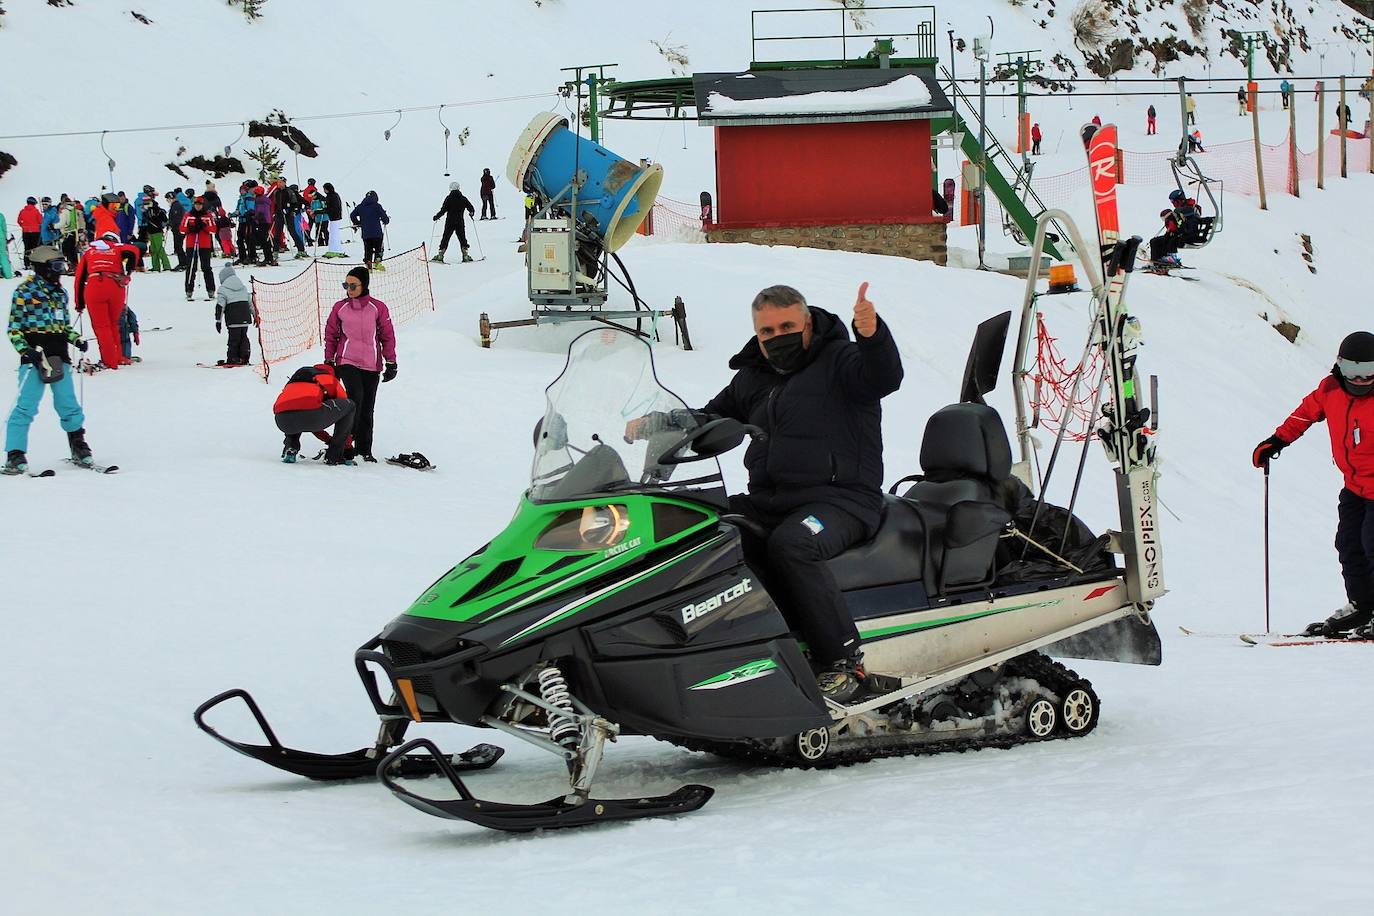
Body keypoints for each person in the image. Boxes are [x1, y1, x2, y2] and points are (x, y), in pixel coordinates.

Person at [627, 283, 904, 702]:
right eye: (768, 332)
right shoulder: (754, 377)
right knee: (704, 526)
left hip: (842, 500)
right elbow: (712, 415)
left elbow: (884, 375)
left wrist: (871, 334)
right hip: (772, 502)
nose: (778, 337)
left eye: (787, 326)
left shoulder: (842, 361)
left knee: (793, 544)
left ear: (808, 323)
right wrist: (663, 422)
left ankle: (843, 660)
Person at [1254, 331, 1374, 641]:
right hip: (1355, 486)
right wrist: (1276, 441)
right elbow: (1304, 414)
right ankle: (1363, 606)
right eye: (1352, 371)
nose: (1360, 380)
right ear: (1339, 366)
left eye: (1368, 372)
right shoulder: (1330, 390)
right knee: (1349, 545)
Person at [4, 246, 96, 474]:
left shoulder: (60, 293)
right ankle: (15, 454)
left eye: (62, 266)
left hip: (59, 353)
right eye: (56, 266)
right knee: (26, 405)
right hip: (35, 356)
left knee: (67, 403)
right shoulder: (24, 292)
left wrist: (76, 339)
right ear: (42, 268)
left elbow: (63, 326)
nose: (60, 271)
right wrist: (25, 350)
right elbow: (13, 328)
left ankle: (77, 443)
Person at [323, 266, 396, 463]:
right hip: (346, 360)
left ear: (364, 285)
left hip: (371, 364)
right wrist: (329, 358)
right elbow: (331, 334)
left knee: (367, 407)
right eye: (346, 285)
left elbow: (387, 336)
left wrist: (391, 362)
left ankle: (364, 450)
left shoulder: (377, 308)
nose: (348, 289)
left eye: (353, 285)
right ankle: (345, 443)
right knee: (355, 398)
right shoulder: (340, 308)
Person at [74, 231, 138, 369]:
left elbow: (79, 279)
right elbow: (134, 250)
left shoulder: (90, 251)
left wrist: (79, 304)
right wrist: (129, 271)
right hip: (116, 287)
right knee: (113, 324)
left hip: (96, 285)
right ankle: (119, 356)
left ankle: (110, 361)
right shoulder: (117, 248)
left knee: (102, 327)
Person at [273, 363, 355, 465]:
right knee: (350, 406)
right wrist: (346, 446)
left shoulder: (298, 378)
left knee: (296, 407)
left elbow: (304, 419)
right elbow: (343, 410)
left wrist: (328, 439)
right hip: (311, 417)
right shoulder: (331, 379)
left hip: (282, 421)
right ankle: (334, 456)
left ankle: (290, 448)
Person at [214, 263, 258, 366]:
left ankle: (233, 358)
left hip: (233, 319)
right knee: (243, 337)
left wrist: (218, 321)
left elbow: (220, 307)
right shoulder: (243, 287)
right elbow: (251, 304)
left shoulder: (222, 289)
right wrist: (256, 316)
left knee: (233, 340)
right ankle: (244, 357)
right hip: (245, 318)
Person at [181, 196, 218, 301]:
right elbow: (182, 229)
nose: (198, 206)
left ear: (203, 205)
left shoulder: (208, 215)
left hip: (204, 245)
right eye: (196, 204)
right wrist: (190, 228)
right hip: (191, 244)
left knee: (206, 267)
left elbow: (214, 229)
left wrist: (204, 227)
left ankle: (211, 290)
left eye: (200, 204)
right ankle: (189, 290)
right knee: (191, 267)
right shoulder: (188, 215)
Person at [431, 181, 475, 263]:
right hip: (460, 222)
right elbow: (471, 208)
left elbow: (443, 210)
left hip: (450, 222)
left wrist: (436, 217)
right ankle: (465, 255)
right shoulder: (463, 198)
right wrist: (471, 213)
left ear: (450, 189)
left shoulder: (448, 198)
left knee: (445, 238)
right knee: (462, 238)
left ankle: (440, 255)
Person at [350, 190, 390, 268]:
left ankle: (368, 263)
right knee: (379, 248)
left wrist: (357, 223)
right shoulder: (377, 206)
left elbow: (352, 215)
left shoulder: (360, 206)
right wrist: (386, 221)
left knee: (368, 249)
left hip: (366, 233)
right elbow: (384, 217)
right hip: (377, 233)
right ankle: (377, 263)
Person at [141, 197, 171, 272]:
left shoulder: (157, 210)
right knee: (153, 249)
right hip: (151, 231)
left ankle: (166, 266)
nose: (145, 204)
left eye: (147, 202)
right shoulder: (147, 211)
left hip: (157, 231)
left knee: (159, 249)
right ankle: (156, 267)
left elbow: (164, 220)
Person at [251, 185, 277, 267]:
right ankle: (269, 258)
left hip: (263, 221)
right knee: (265, 239)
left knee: (264, 240)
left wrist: (255, 217)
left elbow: (260, 211)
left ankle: (268, 258)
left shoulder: (260, 200)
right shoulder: (264, 199)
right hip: (266, 221)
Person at [17, 197, 43, 268]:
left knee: (27, 248)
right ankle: (35, 264)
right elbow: (41, 221)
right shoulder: (36, 211)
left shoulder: (22, 211)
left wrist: (23, 226)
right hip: (35, 232)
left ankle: (27, 264)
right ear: (34, 203)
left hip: (26, 232)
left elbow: (19, 221)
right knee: (35, 248)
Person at [322, 182, 346, 258]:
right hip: (333, 217)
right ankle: (333, 249)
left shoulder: (333, 196)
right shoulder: (331, 196)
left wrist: (326, 210)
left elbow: (333, 207)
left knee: (334, 234)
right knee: (333, 233)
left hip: (335, 217)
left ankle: (335, 250)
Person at [166, 191, 188, 270]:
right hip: (178, 228)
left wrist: (171, 223)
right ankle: (183, 262)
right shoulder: (176, 205)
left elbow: (177, 218)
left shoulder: (176, 206)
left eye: (168, 199)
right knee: (178, 246)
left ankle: (183, 263)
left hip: (178, 229)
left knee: (178, 246)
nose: (168, 201)